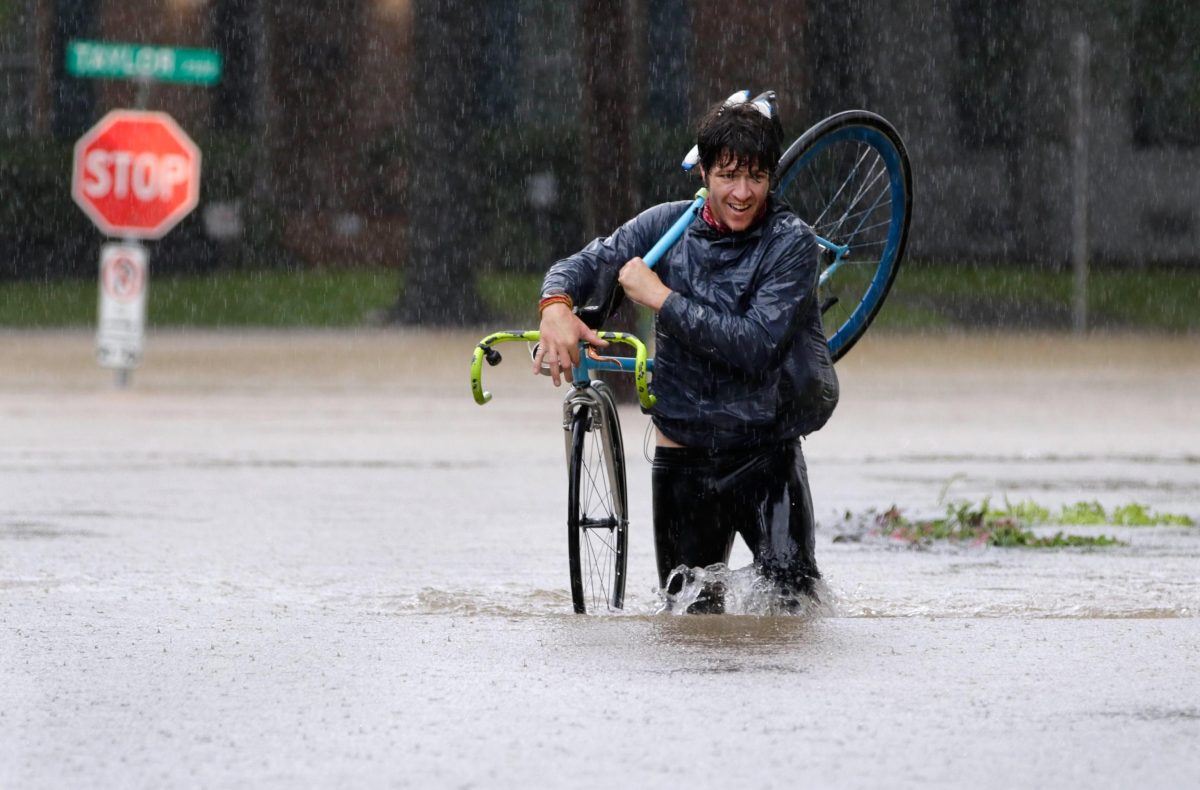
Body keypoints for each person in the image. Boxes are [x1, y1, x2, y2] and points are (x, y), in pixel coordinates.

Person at [532, 92, 838, 613]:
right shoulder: (664, 226)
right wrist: (555, 308)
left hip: (766, 453)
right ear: (703, 175)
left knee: (795, 614)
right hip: (683, 460)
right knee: (687, 621)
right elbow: (585, 263)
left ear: (772, 178)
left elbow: (756, 345)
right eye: (727, 176)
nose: (742, 193)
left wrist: (659, 298)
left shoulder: (792, 243)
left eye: (757, 177)